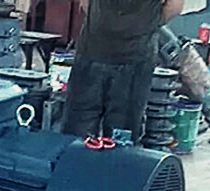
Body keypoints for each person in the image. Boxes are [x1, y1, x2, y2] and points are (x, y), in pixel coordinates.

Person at [63, 0, 185, 142]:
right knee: (120, 133)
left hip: (100, 51)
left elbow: (85, 4)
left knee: (79, 129)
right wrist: (146, 24)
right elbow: (174, 7)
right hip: (129, 56)